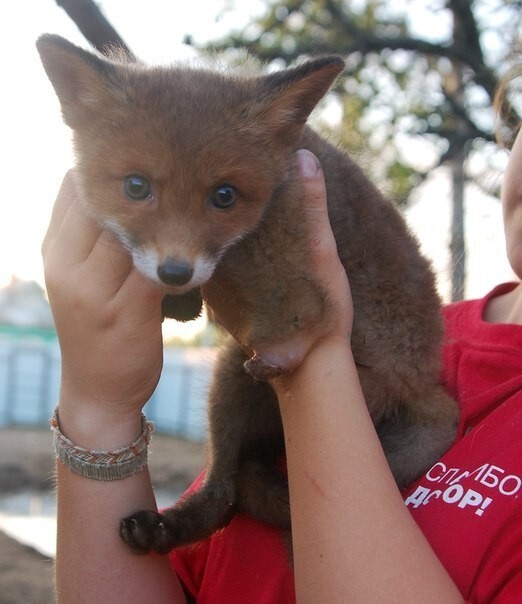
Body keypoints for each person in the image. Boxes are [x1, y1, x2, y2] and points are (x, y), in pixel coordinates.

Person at [42, 66, 521, 603]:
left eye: (222, 197)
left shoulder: (395, 351)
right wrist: (98, 410)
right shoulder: (437, 335)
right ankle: (219, 490)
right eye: (138, 187)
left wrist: (307, 345)